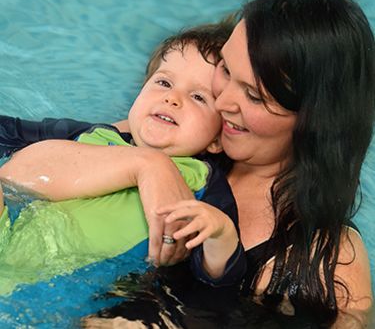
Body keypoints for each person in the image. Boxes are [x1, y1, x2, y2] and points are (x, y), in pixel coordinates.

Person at [0, 0, 374, 328]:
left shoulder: (325, 261)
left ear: (314, 123)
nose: (223, 102)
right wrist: (146, 166)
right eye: (226, 69)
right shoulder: (178, 138)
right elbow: (20, 169)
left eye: (254, 96)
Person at [0, 18, 247, 296]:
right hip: (7, 236)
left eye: (199, 97)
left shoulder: (203, 180)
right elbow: (8, 132)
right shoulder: (98, 136)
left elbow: (219, 279)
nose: (172, 99)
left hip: (63, 282)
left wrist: (221, 233)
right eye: (164, 82)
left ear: (217, 138)